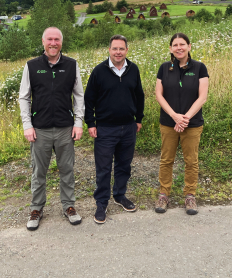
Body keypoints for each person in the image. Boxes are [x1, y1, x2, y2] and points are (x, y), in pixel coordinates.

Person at [19, 27, 85, 230]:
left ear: (61, 42)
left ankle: (69, 206)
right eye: (50, 39)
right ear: (43, 41)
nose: (53, 43)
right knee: (39, 172)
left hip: (66, 128)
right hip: (40, 130)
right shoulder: (31, 66)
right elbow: (24, 97)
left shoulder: (71, 65)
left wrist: (78, 122)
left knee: (67, 169)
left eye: (57, 39)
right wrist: (27, 125)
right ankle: (36, 208)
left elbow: (79, 96)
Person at [84, 34, 145, 224]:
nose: (118, 52)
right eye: (115, 48)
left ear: (127, 50)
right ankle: (101, 204)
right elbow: (88, 100)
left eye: (121, 48)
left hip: (128, 128)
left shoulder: (133, 69)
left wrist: (138, 119)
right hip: (105, 129)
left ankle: (120, 196)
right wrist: (91, 123)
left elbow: (139, 96)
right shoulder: (99, 71)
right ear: (109, 50)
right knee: (103, 169)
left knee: (123, 165)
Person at [155, 32, 209, 215]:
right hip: (168, 123)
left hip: (192, 124)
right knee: (166, 160)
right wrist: (174, 117)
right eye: (175, 45)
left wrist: (184, 118)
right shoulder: (164, 68)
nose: (179, 47)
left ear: (189, 46)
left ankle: (190, 195)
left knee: (191, 161)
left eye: (182, 44)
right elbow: (159, 95)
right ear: (170, 48)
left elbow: (202, 97)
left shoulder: (200, 68)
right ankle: (164, 194)